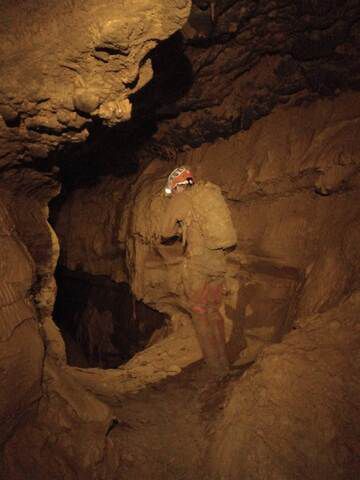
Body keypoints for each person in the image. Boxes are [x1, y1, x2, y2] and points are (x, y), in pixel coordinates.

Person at [159, 166, 237, 375]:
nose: (173, 193)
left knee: (199, 311)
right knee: (213, 309)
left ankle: (213, 367)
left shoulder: (181, 199)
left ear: (177, 186)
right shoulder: (207, 194)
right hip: (218, 263)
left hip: (198, 265)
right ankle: (224, 363)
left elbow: (164, 231)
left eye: (172, 189)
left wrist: (179, 228)